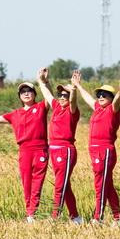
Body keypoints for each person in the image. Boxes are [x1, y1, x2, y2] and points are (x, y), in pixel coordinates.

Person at [0, 77, 48, 223]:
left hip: (40, 150)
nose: (26, 93)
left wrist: (43, 82)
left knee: (37, 183)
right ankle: (29, 213)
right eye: (23, 92)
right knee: (26, 182)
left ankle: (32, 213)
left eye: (29, 90)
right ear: (19, 96)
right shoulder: (16, 114)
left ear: (35, 94)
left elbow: (49, 98)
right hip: (24, 151)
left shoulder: (41, 107)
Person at [73, 72, 120, 225]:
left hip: (105, 150)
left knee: (100, 184)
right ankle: (119, 217)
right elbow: (88, 99)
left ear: (111, 97)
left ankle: (98, 217)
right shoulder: (97, 108)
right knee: (107, 184)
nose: (101, 97)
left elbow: (117, 101)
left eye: (105, 94)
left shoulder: (113, 110)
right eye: (99, 94)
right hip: (94, 150)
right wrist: (78, 86)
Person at [37, 68, 83, 224]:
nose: (62, 97)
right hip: (54, 150)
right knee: (65, 185)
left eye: (66, 95)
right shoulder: (56, 107)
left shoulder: (72, 110)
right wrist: (41, 81)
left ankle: (55, 217)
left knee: (59, 185)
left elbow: (74, 101)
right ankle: (75, 217)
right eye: (60, 95)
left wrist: (75, 88)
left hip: (66, 151)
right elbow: (48, 95)